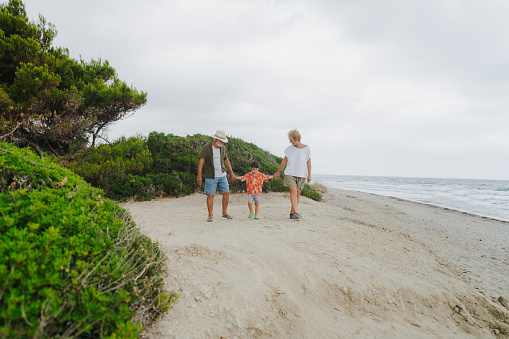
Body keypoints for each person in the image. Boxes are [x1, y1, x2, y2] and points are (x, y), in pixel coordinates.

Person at [197, 130, 236, 222]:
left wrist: (231, 173)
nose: (222, 143)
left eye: (223, 141)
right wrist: (199, 176)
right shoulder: (207, 147)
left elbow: (226, 161)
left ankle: (224, 213)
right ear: (216, 139)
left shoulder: (223, 148)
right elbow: (201, 162)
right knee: (210, 195)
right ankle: (210, 215)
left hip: (222, 174)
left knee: (226, 193)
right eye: (221, 141)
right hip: (211, 176)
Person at [273, 129, 311, 220]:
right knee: (293, 190)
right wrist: (278, 172)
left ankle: (292, 213)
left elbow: (308, 162)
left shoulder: (307, 148)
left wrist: (309, 175)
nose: (290, 142)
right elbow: (284, 161)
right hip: (290, 173)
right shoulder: (289, 149)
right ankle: (296, 212)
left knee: (297, 194)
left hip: (302, 174)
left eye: (291, 140)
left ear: (296, 138)